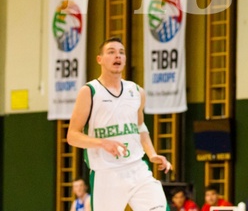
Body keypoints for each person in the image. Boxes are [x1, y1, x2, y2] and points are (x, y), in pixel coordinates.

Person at [66, 36, 171, 211]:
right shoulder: (90, 91)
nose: (118, 56)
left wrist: (152, 154)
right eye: (111, 52)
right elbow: (72, 136)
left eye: (121, 53)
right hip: (106, 173)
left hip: (137, 168)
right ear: (100, 59)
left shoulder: (136, 91)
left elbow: (140, 127)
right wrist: (102, 143)